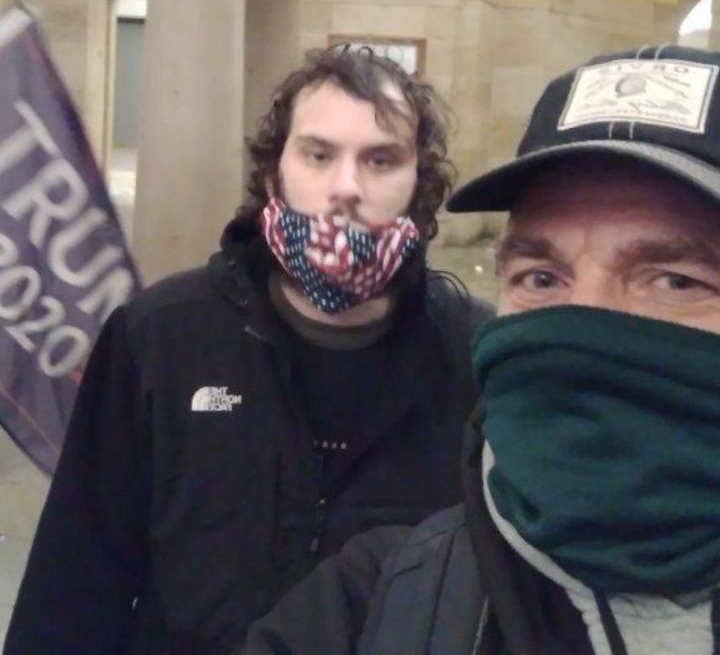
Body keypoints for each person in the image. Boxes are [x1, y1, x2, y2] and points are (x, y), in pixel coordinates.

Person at [4, 47, 491, 655]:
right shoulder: (161, 335)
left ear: (419, 183)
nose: (346, 187)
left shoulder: (477, 358)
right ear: (273, 174)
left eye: (382, 159)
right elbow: (77, 575)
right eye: (319, 154)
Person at [241, 43, 720, 655]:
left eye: (676, 281)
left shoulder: (455, 337)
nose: (582, 323)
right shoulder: (379, 601)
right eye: (542, 278)